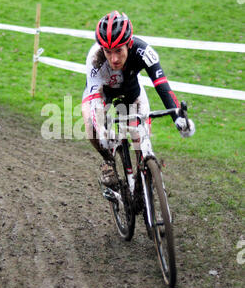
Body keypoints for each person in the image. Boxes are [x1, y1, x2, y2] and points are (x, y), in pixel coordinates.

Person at [82, 11, 195, 186]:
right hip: (102, 93)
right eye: (108, 52)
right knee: (90, 126)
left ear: (129, 44)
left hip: (132, 92)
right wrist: (103, 131)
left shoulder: (143, 51)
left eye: (119, 50)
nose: (114, 58)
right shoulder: (95, 59)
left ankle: (144, 180)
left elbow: (162, 86)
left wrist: (178, 118)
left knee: (139, 138)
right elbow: (95, 100)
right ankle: (109, 163)